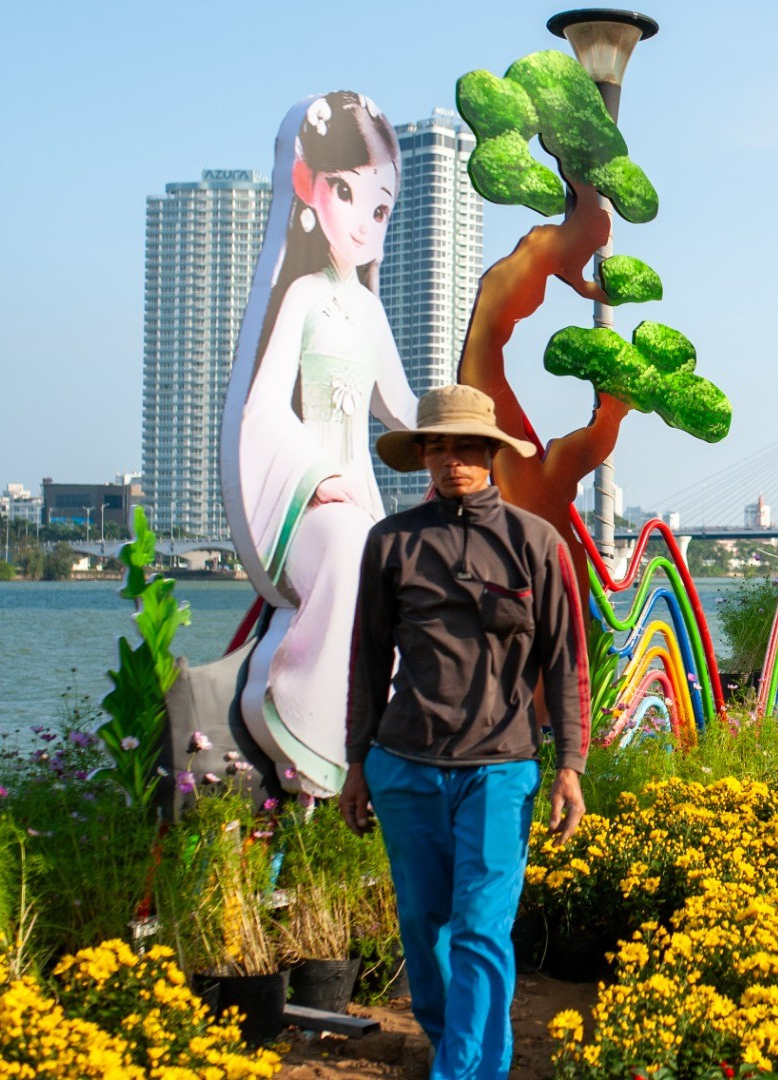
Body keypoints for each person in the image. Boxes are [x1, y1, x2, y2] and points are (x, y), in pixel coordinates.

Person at [341, 382, 589, 1080]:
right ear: (423, 454)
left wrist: (571, 765)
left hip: (500, 768)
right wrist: (356, 763)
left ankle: (466, 1069)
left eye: (467, 447)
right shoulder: (391, 543)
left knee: (481, 929)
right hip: (405, 764)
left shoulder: (535, 543)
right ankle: (461, 1050)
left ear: (490, 453)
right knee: (424, 928)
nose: (453, 460)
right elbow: (367, 658)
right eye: (438, 446)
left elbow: (566, 661)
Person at [226, 90, 419, 798]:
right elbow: (262, 406)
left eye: (380, 209)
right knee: (349, 546)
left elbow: (402, 408)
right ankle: (305, 725)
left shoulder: (368, 309)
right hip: (308, 500)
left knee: (392, 560)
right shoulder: (303, 294)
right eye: (347, 194)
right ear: (309, 187)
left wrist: (469, 421)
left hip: (357, 493)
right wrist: (313, 478)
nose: (365, 223)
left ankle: (372, 741)